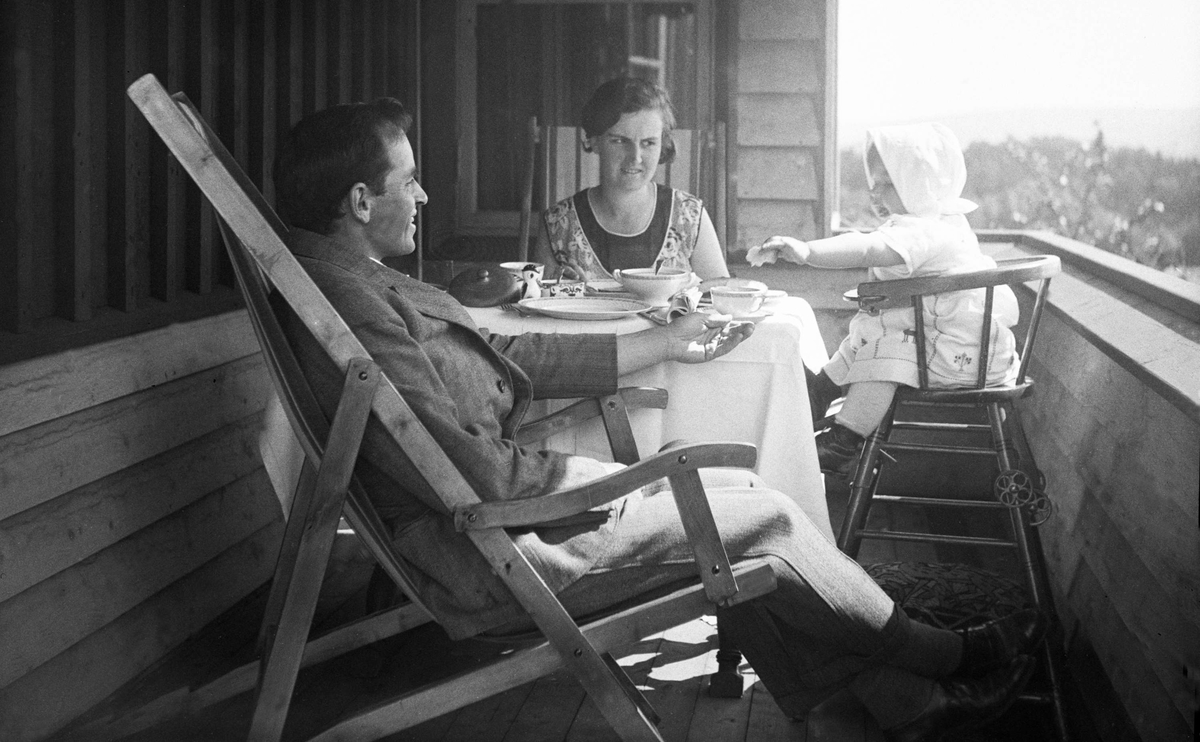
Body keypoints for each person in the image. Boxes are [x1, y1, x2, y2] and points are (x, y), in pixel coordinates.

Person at [274, 100, 1042, 741]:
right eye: (409, 182)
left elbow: (504, 358)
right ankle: (936, 656)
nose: (426, 197)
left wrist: (658, 345)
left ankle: (903, 701)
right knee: (765, 512)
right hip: (508, 550)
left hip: (506, 523)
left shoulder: (351, 284)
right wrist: (615, 486)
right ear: (360, 202)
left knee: (730, 490)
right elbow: (470, 471)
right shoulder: (355, 308)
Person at [749, 123, 1021, 484]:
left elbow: (866, 246)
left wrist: (807, 251)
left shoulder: (925, 231)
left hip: (960, 356)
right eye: (873, 184)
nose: (875, 195)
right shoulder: (940, 221)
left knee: (886, 350)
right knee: (866, 334)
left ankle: (845, 440)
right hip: (947, 342)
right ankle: (822, 390)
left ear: (919, 183)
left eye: (887, 184)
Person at [533, 77, 729, 282]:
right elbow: (538, 302)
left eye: (648, 143)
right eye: (619, 141)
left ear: (663, 144)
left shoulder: (688, 216)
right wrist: (561, 290)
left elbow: (720, 300)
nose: (635, 157)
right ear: (595, 142)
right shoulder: (560, 224)